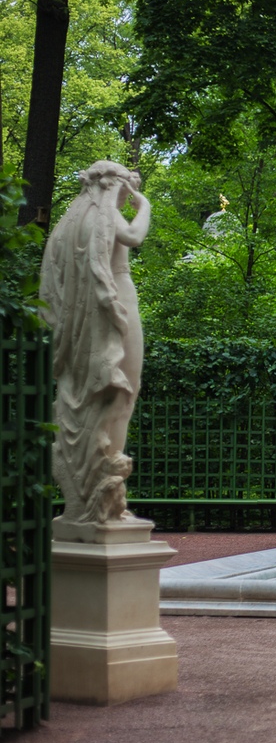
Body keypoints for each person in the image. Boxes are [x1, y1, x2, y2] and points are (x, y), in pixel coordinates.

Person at [39, 161, 151, 526]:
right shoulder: (103, 213)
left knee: (97, 394)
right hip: (117, 301)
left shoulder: (68, 223)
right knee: (123, 392)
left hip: (85, 317)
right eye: (125, 188)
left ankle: (91, 487)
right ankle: (105, 483)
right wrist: (144, 206)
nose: (126, 195)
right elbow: (134, 236)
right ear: (110, 185)